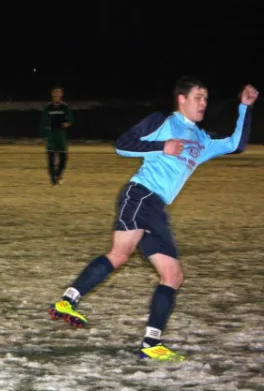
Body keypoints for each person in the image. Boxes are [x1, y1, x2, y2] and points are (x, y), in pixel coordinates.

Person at [48, 76, 258, 361]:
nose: (203, 103)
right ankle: (67, 301)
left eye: (206, 98)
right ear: (181, 99)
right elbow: (123, 144)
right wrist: (162, 146)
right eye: (198, 97)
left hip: (156, 208)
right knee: (120, 254)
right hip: (141, 195)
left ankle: (151, 343)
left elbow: (237, 144)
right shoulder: (163, 121)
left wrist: (245, 107)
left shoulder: (201, 139)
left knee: (173, 276)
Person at [40, 85, 75, 185]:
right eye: (55, 92)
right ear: (52, 94)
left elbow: (71, 118)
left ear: (62, 94)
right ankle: (53, 178)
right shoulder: (48, 107)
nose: (57, 94)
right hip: (51, 135)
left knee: (63, 158)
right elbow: (44, 120)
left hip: (61, 135)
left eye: (59, 92)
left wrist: (67, 123)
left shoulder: (65, 107)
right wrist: (47, 128)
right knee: (51, 157)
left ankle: (58, 174)